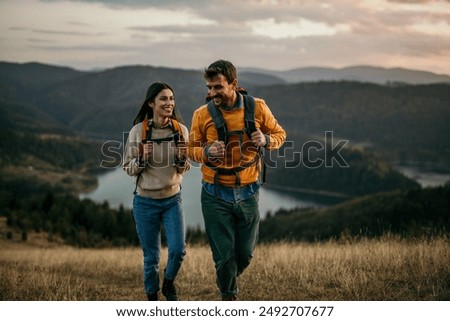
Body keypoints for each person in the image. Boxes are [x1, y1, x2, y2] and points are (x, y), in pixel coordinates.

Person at [187, 60, 286, 300]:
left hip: (249, 191)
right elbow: (190, 149)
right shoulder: (202, 115)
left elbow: (280, 134)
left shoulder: (258, 108)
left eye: (218, 87)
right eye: (209, 87)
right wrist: (206, 152)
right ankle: (228, 296)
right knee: (224, 256)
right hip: (214, 193)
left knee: (245, 254)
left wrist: (265, 140)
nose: (212, 93)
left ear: (234, 84)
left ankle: (225, 275)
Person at [123, 82, 190, 301]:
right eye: (163, 99)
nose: (169, 103)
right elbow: (128, 168)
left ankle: (168, 283)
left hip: (172, 199)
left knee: (178, 251)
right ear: (151, 103)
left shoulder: (181, 131)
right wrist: (143, 158)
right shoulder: (138, 132)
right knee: (151, 258)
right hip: (145, 202)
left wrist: (182, 157)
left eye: (171, 98)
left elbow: (184, 168)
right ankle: (153, 299)